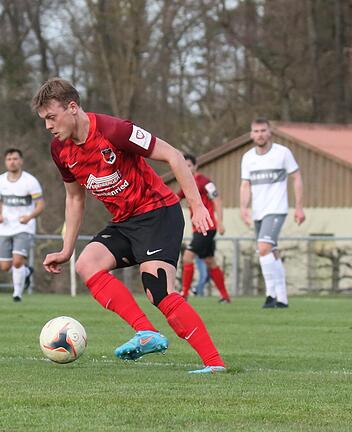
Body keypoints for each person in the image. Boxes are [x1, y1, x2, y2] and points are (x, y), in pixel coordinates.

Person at [33, 78, 225, 374]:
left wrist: (197, 206)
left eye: (51, 117)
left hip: (158, 213)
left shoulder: (114, 130)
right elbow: (74, 199)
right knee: (87, 264)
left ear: (72, 108)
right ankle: (146, 332)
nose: (48, 126)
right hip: (125, 221)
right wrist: (66, 249)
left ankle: (215, 364)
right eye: (44, 120)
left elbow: (174, 156)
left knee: (157, 290)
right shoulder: (61, 150)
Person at [240, 118, 304, 309]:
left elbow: (297, 177)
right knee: (271, 252)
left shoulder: (282, 153)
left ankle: (270, 295)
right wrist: (243, 208)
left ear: (270, 132)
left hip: (277, 209)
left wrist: (299, 207)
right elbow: (245, 184)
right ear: (251, 135)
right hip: (258, 211)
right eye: (256, 131)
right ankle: (282, 298)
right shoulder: (248, 157)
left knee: (263, 248)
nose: (259, 134)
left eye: (263, 130)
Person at [0, 148, 45, 302]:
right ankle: (27, 272)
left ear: (21, 161)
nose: (12, 162)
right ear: (5, 162)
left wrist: (29, 217)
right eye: (9, 159)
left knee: (17, 262)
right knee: (5, 266)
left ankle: (17, 294)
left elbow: (41, 205)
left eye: (15, 159)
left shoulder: (30, 181)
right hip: (5, 228)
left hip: (24, 227)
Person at [178, 154, 231, 303]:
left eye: (189, 165)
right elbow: (175, 199)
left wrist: (220, 222)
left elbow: (217, 199)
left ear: (195, 166)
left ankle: (184, 294)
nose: (187, 168)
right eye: (184, 166)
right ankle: (225, 296)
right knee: (209, 261)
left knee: (188, 257)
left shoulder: (204, 182)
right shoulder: (186, 184)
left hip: (207, 227)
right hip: (198, 229)